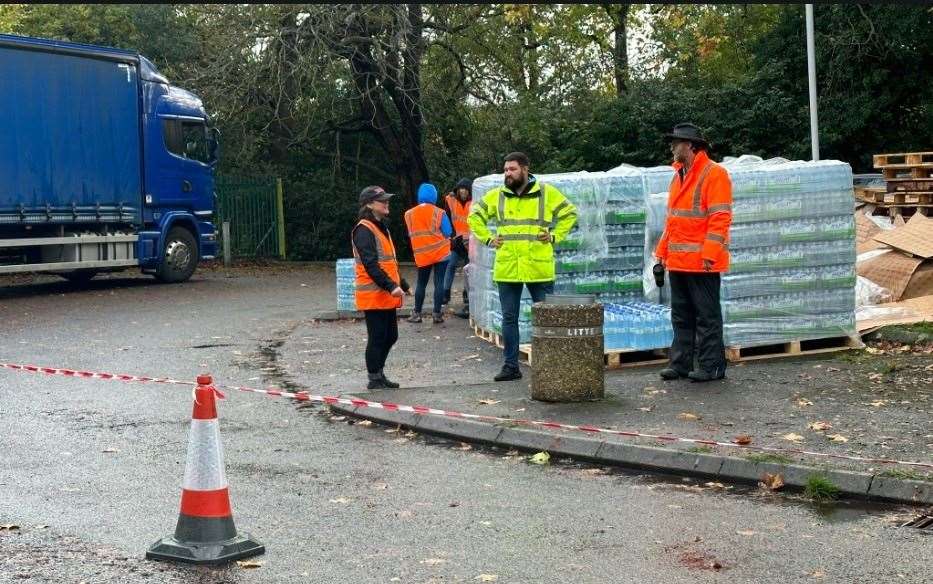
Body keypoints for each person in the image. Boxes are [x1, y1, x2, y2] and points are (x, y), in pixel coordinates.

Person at [468, 152, 578, 382]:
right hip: (509, 268)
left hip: (538, 267)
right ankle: (511, 367)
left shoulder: (546, 193)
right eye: (506, 170)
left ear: (525, 169)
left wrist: (555, 236)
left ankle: (550, 364)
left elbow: (570, 213)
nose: (507, 174)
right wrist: (488, 238)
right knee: (509, 318)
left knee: (549, 318)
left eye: (512, 169)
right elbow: (474, 216)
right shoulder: (497, 196)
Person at [654, 123, 733, 383]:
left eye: (676, 143)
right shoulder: (678, 175)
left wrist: (709, 253)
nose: (672, 147)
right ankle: (681, 364)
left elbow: (720, 217)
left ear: (690, 145)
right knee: (681, 315)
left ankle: (712, 366)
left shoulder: (714, 174)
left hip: (702, 262)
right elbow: (673, 220)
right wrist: (661, 254)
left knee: (707, 317)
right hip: (679, 261)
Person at [351, 185, 411, 390]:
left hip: (384, 293)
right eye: (381, 200)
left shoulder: (380, 226)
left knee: (390, 336)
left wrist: (401, 284)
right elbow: (371, 265)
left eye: (386, 199)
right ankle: (374, 378)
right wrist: (391, 285)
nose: (386, 203)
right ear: (369, 204)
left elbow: (389, 262)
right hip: (374, 295)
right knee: (377, 337)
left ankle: (379, 373)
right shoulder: (363, 229)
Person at [404, 182, 451, 324]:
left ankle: (417, 314)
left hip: (422, 255)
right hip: (441, 253)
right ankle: (437, 314)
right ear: (434, 196)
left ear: (419, 196)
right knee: (439, 283)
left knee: (421, 284)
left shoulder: (408, 214)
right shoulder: (439, 212)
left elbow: (411, 233)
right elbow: (448, 232)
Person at [442, 177, 473, 319]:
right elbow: (447, 218)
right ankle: (445, 294)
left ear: (469, 190)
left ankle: (467, 296)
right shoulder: (450, 200)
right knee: (451, 265)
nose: (463, 191)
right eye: (460, 189)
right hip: (456, 239)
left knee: (469, 270)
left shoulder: (474, 201)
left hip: (470, 241)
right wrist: (451, 235)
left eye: (465, 189)